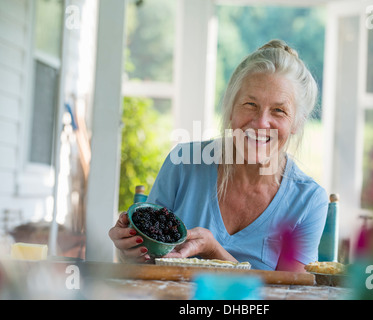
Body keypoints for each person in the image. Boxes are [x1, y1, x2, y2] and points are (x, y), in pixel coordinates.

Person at [109, 39, 329, 272]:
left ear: (297, 122)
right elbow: (147, 266)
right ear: (230, 108)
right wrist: (130, 252)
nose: (261, 122)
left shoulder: (308, 201)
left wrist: (215, 252)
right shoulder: (183, 162)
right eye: (250, 104)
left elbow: (288, 296)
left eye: (279, 110)